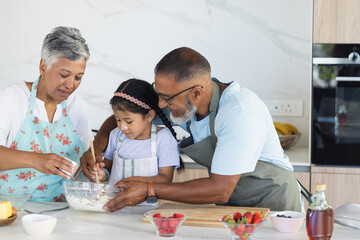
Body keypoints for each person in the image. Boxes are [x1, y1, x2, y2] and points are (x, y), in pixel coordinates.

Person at [81, 47, 302, 212]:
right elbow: (126, 115)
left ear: (196, 93)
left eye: (166, 98)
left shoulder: (241, 113)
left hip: (274, 205)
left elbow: (220, 188)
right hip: (232, 205)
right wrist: (98, 146)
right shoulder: (180, 101)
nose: (159, 105)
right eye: (159, 94)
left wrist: (149, 189)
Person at [0, 26, 93, 202]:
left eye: (78, 77)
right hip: (14, 210)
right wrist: (36, 160)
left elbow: (85, 161)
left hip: (68, 211)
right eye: (64, 75)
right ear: (43, 67)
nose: (70, 85)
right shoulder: (12, 98)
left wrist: (91, 167)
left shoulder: (77, 106)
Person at [89, 79, 180, 191]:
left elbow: (165, 179)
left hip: (147, 207)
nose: (122, 127)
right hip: (113, 204)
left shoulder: (163, 138)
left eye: (128, 121)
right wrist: (102, 175)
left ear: (149, 116)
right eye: (118, 120)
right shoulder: (115, 135)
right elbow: (108, 168)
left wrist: (131, 181)